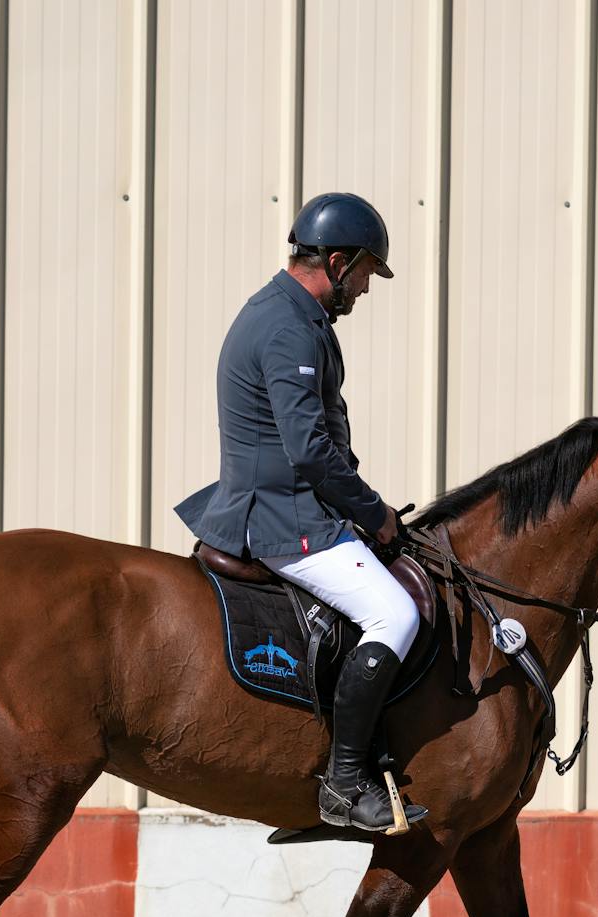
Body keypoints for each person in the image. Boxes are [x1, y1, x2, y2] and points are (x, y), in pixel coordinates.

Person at [175, 192, 423, 833]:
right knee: (393, 612)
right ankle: (344, 783)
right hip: (281, 518)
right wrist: (375, 514)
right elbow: (310, 452)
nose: (366, 289)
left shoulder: (293, 316)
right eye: (366, 273)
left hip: (291, 504)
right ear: (337, 262)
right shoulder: (287, 327)